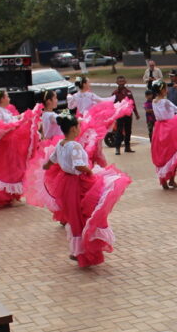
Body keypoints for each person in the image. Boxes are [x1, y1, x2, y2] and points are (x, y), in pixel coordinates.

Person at [42, 113, 131, 267]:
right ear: (73, 129)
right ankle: (83, 252)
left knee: (75, 217)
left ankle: (77, 251)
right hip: (77, 183)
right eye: (78, 126)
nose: (80, 128)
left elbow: (49, 162)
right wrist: (89, 171)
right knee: (83, 214)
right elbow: (78, 165)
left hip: (65, 183)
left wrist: (44, 169)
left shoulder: (61, 144)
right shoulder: (74, 146)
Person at [0, 89, 40, 207]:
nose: (9, 98)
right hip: (4, 146)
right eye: (7, 96)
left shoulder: (4, 110)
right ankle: (7, 195)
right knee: (6, 170)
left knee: (13, 168)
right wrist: (15, 123)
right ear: (2, 99)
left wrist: (22, 117)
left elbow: (12, 119)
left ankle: (12, 195)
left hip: (10, 144)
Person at [110, 75, 139, 155]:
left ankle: (127, 147)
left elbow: (133, 103)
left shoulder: (128, 92)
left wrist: (136, 113)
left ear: (125, 82)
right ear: (116, 83)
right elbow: (111, 105)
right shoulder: (115, 93)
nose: (121, 83)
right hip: (119, 116)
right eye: (119, 81)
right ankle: (117, 148)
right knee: (119, 131)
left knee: (128, 131)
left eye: (122, 81)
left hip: (128, 115)